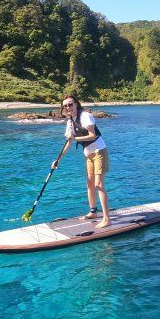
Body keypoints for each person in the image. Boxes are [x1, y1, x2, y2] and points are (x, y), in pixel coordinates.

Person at [52, 94, 111, 228]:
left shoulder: (85, 116)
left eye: (70, 104)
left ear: (76, 104)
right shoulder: (70, 121)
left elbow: (92, 135)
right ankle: (93, 212)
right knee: (89, 184)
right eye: (65, 105)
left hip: (99, 151)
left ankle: (107, 219)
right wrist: (58, 160)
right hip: (88, 154)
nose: (68, 107)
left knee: (99, 184)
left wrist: (75, 139)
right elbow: (68, 142)